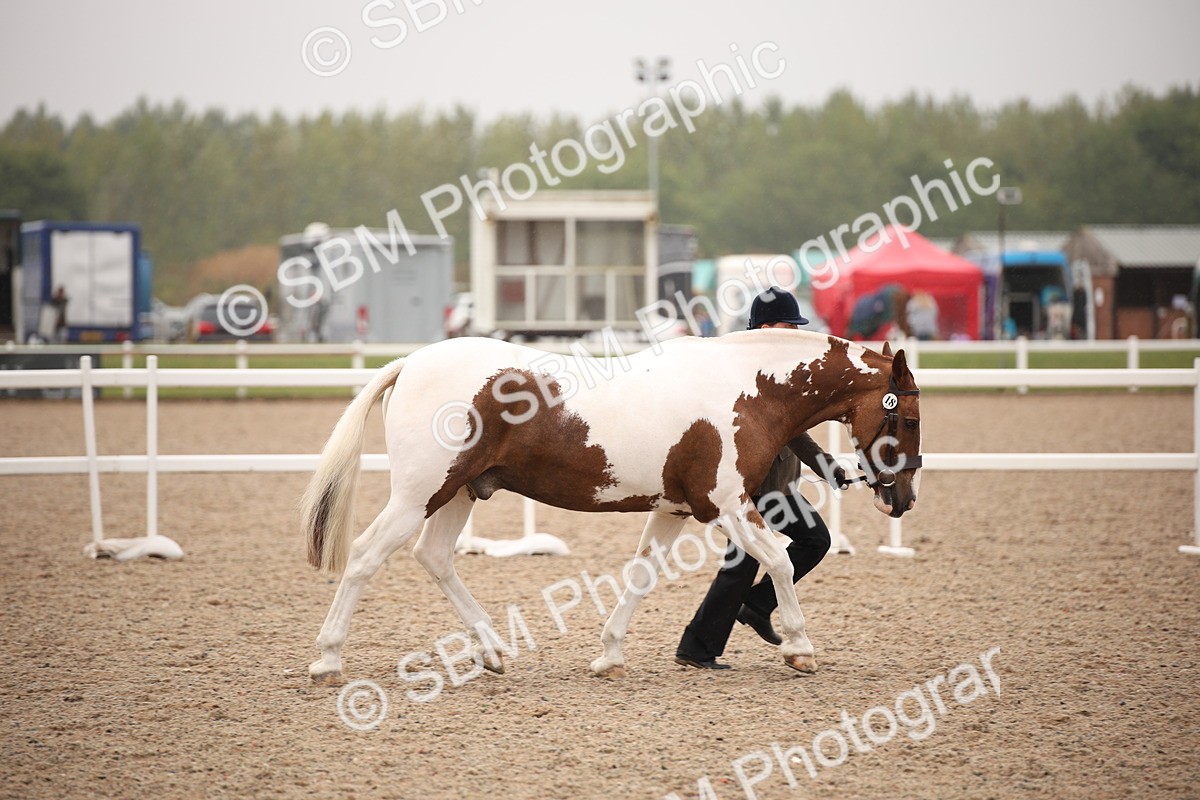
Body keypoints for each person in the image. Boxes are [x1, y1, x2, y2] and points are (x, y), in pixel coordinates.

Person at [675, 286, 845, 670]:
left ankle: (703, 643)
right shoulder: (750, 373)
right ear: (768, 327)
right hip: (761, 487)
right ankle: (745, 613)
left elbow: (794, 430)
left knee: (743, 562)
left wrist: (826, 466)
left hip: (774, 484)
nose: (797, 333)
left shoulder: (774, 371)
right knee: (810, 540)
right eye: (790, 325)